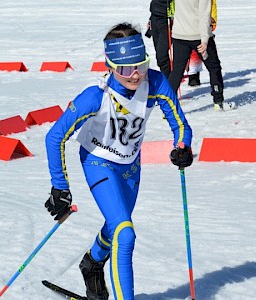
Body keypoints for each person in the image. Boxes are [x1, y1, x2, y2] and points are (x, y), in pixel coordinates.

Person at [44, 23, 193, 300]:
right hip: (98, 162)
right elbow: (54, 138)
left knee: (115, 227)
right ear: (110, 66)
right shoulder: (94, 96)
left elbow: (180, 124)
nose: (135, 75)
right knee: (125, 234)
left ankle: (92, 263)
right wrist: (59, 187)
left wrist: (182, 146)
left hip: (131, 167)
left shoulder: (156, 83)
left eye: (141, 65)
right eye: (125, 69)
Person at [168, 0, 225, 109]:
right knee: (214, 68)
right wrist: (204, 39)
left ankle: (167, 107)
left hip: (179, 35)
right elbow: (204, 15)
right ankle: (218, 101)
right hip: (197, 36)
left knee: (176, 72)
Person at [148, 0, 175, 78]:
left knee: (161, 56)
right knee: (160, 56)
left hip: (167, 19)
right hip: (155, 17)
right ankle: (168, 79)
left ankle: (170, 82)